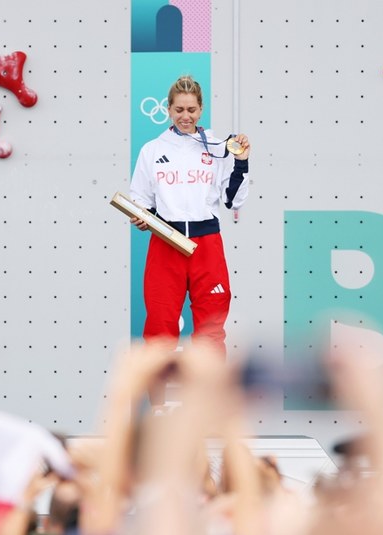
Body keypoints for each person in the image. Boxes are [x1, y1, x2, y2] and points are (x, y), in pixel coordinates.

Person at [129, 75, 250, 407]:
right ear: (168, 110)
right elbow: (138, 199)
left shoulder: (217, 147)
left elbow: (233, 200)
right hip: (165, 242)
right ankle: (156, 410)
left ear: (202, 109)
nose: (186, 116)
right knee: (158, 328)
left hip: (206, 242)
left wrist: (241, 162)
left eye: (192, 109)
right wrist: (140, 217)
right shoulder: (152, 150)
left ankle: (206, 411)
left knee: (211, 330)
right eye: (179, 109)